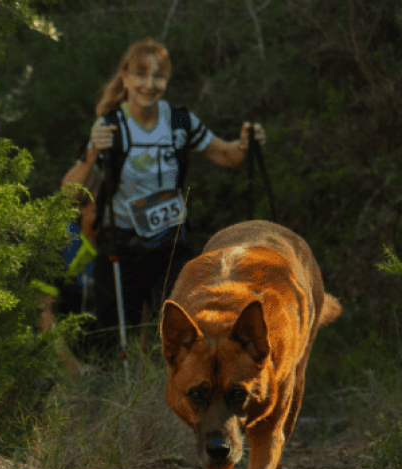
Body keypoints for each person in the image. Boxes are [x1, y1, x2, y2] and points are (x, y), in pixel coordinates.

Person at [84, 36, 266, 358]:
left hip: (170, 244)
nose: (149, 84)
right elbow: (70, 188)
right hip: (123, 247)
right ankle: (119, 401)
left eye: (159, 76)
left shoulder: (180, 121)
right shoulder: (111, 126)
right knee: (113, 341)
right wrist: (93, 152)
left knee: (172, 334)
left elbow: (226, 156)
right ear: (125, 77)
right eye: (141, 74)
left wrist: (245, 144)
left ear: (166, 80)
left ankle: (163, 399)